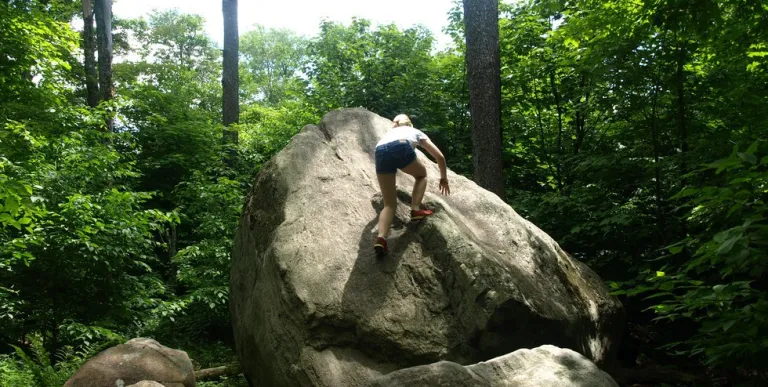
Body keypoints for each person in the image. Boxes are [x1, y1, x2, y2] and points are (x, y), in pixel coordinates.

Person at [373, 114, 450, 257]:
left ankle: (381, 238)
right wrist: (443, 178)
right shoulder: (415, 131)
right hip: (400, 145)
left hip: (380, 151)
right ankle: (415, 209)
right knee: (421, 176)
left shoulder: (389, 134)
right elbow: (439, 157)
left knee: (389, 204)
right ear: (410, 123)